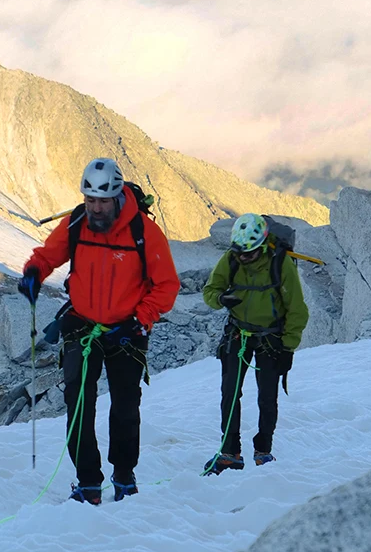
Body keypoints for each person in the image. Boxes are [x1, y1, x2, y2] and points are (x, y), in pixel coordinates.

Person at [19, 158, 179, 504]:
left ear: (117, 196)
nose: (95, 208)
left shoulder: (143, 232)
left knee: (124, 406)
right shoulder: (76, 222)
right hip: (82, 323)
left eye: (102, 201)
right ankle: (88, 482)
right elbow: (48, 256)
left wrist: (141, 318)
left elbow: (166, 284)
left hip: (127, 329)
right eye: (90, 200)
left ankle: (124, 475)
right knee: (78, 403)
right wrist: (33, 272)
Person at [202, 213, 308, 474]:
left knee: (267, 398)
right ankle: (230, 452)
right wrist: (221, 299)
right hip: (238, 335)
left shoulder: (280, 264)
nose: (242, 258)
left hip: (271, 339)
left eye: (248, 254)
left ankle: (263, 450)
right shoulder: (231, 259)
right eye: (239, 253)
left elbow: (297, 310)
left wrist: (288, 347)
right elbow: (210, 291)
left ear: (261, 246)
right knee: (229, 393)